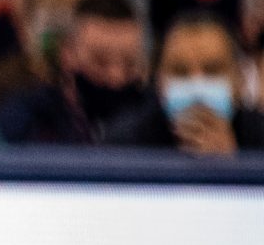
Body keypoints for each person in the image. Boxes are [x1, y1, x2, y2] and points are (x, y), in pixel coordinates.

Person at [0, 0, 155, 145]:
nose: (117, 76)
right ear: (68, 54)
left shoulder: (155, 119)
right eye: (100, 61)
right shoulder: (27, 117)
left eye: (130, 63)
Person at [109, 13, 264, 154]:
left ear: (239, 78)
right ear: (158, 80)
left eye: (212, 71)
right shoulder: (123, 144)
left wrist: (233, 164)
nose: (196, 86)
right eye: (180, 71)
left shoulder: (259, 136)